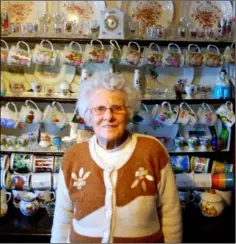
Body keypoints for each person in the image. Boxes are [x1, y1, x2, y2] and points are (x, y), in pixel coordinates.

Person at [51, 72, 182, 243]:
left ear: (128, 112)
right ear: (87, 115)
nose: (108, 116)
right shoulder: (73, 156)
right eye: (99, 109)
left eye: (117, 108)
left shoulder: (153, 150)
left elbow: (170, 211)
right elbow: (63, 215)